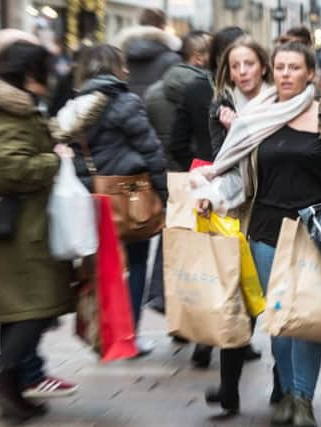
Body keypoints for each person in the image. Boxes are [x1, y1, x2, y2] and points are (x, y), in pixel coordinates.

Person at [197, 41, 321, 427]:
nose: (286, 74)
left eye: (294, 67)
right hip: (265, 230)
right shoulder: (258, 117)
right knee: (278, 320)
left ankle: (303, 399)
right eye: (281, 67)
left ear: (310, 74)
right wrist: (212, 196)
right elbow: (234, 170)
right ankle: (287, 393)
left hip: (313, 230)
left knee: (305, 319)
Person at [0, 40, 76, 422]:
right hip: (13, 233)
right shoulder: (8, 113)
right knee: (33, 308)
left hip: (22, 230)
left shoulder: (20, 108)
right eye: (45, 71)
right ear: (30, 75)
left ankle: (10, 390)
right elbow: (5, 168)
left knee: (21, 312)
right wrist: (52, 160)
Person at [52, 44, 167, 357]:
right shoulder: (126, 101)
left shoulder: (74, 105)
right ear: (114, 68)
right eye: (122, 64)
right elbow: (151, 149)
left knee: (100, 265)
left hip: (90, 196)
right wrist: (163, 192)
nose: (127, 70)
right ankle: (129, 336)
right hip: (127, 194)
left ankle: (102, 332)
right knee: (138, 260)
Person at [202, 36, 273, 415]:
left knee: (276, 299)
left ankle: (284, 384)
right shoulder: (221, 105)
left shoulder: (282, 101)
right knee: (236, 300)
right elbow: (223, 160)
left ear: (263, 65)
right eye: (235, 66)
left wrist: (242, 126)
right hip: (235, 211)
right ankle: (229, 389)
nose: (242, 72)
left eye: (249, 64)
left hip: (275, 209)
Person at [167, 30, 214, 171]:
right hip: (208, 173)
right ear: (198, 58)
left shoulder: (154, 92)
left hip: (176, 175)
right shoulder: (210, 89)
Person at [116, 8, 181, 98]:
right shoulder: (173, 58)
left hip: (128, 108)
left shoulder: (120, 54)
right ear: (162, 26)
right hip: (157, 110)